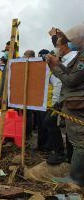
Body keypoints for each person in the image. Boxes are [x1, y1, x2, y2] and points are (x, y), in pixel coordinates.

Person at [47, 24, 84, 186]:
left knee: (79, 142)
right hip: (73, 102)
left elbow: (71, 80)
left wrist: (55, 68)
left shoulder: (82, 58)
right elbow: (70, 73)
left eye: (72, 40)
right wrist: (56, 65)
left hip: (77, 103)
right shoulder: (80, 56)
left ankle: (75, 179)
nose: (70, 43)